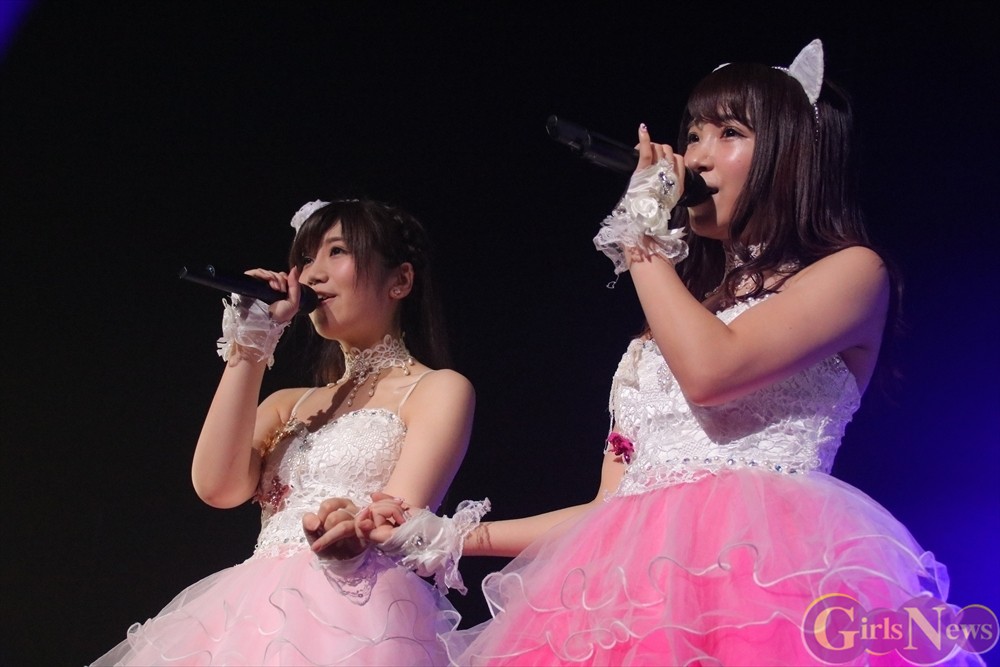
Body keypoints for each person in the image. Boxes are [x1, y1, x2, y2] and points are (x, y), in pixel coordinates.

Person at [335, 41, 988, 665]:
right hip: (633, 599)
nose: (696, 158)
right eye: (693, 134)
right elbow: (609, 508)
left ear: (793, 154)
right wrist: (446, 535)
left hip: (769, 582)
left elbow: (713, 371)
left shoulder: (852, 272)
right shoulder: (659, 337)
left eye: (728, 133)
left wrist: (640, 237)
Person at [91, 198, 482, 666]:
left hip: (360, 615)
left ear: (399, 280)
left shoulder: (437, 389)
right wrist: (251, 344)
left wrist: (346, 532)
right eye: (305, 258)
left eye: (337, 251)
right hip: (252, 617)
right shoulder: (286, 404)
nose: (312, 274)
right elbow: (216, 486)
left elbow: (394, 520)